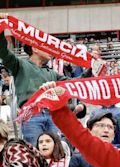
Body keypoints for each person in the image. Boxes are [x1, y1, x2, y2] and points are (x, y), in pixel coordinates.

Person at [0, 13, 86, 145]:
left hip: (54, 115)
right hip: (32, 116)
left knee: (56, 154)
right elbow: (3, 52)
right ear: (35, 48)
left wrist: (92, 69)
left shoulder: (52, 73)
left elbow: (75, 83)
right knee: (36, 153)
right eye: (45, 46)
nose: (50, 50)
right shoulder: (20, 65)